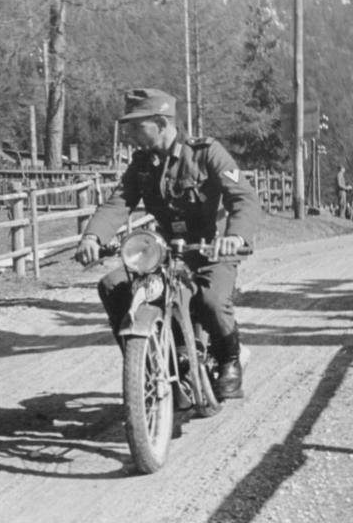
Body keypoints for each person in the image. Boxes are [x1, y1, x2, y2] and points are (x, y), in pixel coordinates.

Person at [75, 88, 260, 399]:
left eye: (136, 126)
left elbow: (245, 198)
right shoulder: (143, 164)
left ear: (160, 122)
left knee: (211, 300)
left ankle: (230, 359)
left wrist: (234, 237)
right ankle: (145, 365)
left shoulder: (205, 152)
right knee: (113, 285)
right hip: (165, 251)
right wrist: (93, 236)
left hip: (210, 250)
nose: (130, 134)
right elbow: (118, 203)